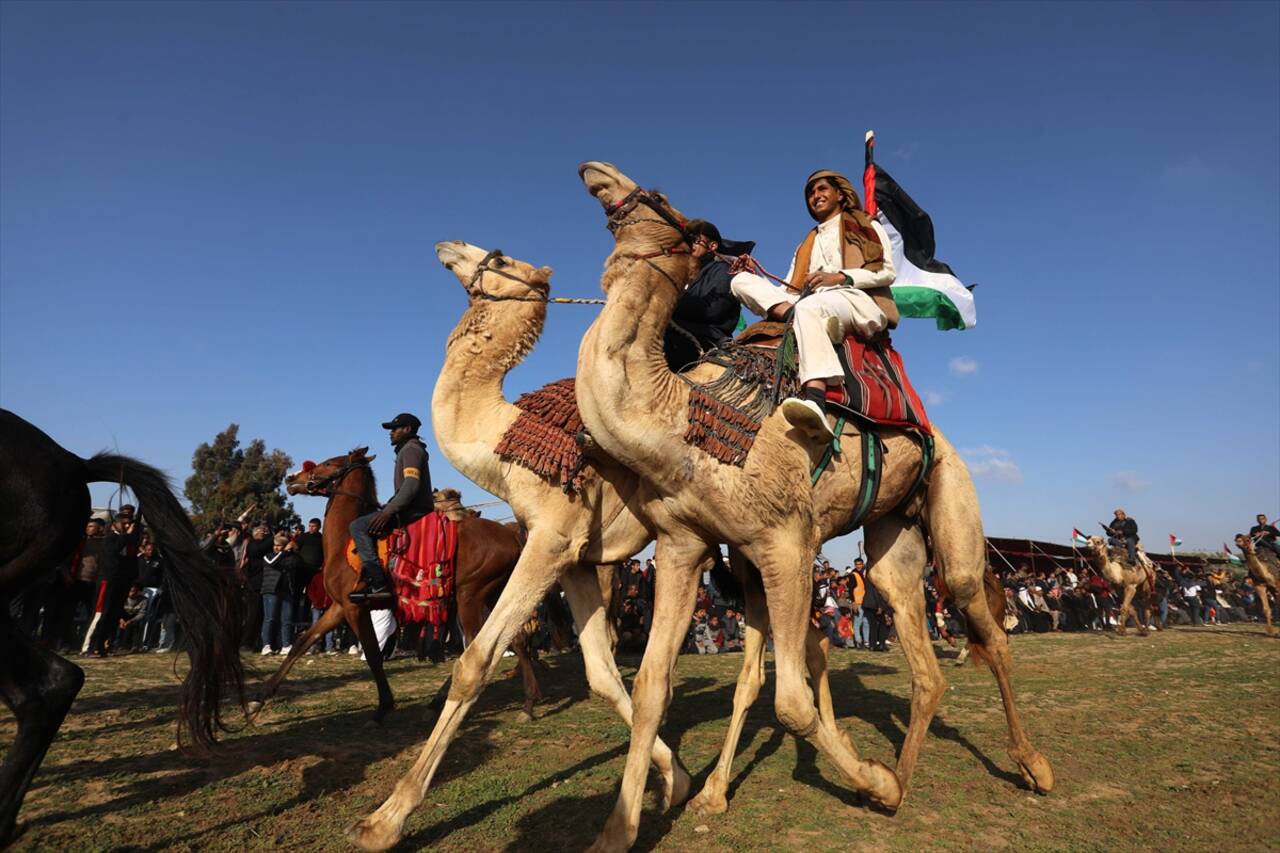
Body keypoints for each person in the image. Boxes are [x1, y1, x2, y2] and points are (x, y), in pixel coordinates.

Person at [731, 169, 896, 440]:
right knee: (739, 282)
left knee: (810, 308)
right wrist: (753, 273)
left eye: (821, 190)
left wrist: (840, 277)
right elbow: (786, 288)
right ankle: (798, 318)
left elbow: (887, 272)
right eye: (810, 193)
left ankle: (816, 399)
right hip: (808, 301)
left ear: (840, 194)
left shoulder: (866, 224)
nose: (815, 196)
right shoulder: (806, 242)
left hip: (854, 298)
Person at [349, 413, 434, 604]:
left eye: (394, 429)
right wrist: (388, 504)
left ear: (407, 429)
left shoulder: (411, 450)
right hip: (409, 507)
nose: (391, 433)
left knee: (358, 526)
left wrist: (388, 511)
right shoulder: (408, 449)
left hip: (414, 511)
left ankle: (378, 584)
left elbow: (411, 486)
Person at [664, 220, 752, 371]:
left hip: (706, 341)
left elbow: (713, 309)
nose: (690, 245)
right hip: (679, 337)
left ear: (712, 246)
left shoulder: (724, 269)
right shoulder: (688, 278)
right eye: (688, 240)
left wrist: (668, 305)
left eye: (696, 240)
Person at [260, 533, 300, 654]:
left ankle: (286, 645)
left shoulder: (290, 557)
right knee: (270, 618)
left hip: (286, 591)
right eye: (275, 545)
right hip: (271, 590)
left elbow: (296, 563)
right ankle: (266, 645)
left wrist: (293, 551)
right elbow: (272, 563)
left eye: (279, 546)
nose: (276, 548)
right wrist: (284, 553)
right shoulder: (268, 556)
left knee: (287, 619)